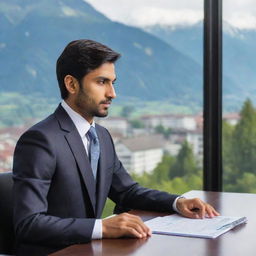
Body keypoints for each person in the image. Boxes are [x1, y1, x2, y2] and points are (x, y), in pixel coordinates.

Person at [12, 39, 219, 255]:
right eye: (102, 82)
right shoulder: (40, 140)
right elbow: (29, 224)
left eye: (113, 82)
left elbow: (127, 192)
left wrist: (177, 203)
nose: (112, 93)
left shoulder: (101, 136)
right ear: (71, 84)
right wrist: (103, 227)